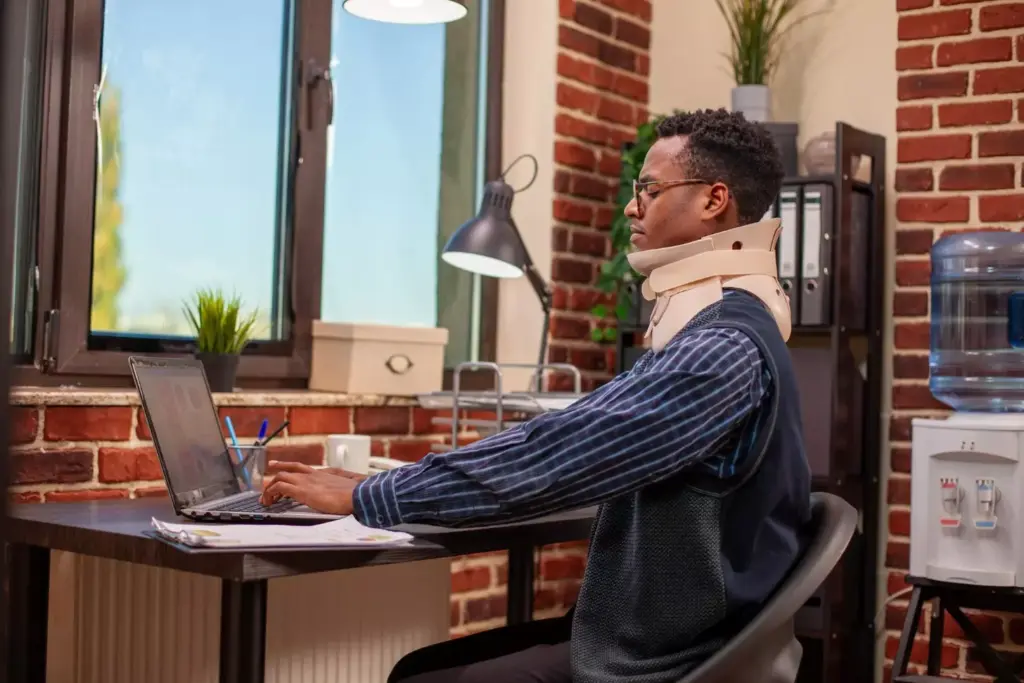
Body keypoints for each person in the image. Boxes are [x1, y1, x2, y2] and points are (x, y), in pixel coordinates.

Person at [262, 108, 812, 683]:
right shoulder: (725, 327)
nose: (632, 206)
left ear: (713, 200)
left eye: (649, 189)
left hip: (670, 658)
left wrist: (373, 496)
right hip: (661, 634)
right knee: (422, 667)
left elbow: (555, 456)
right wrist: (379, 485)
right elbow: (578, 433)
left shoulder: (719, 348)